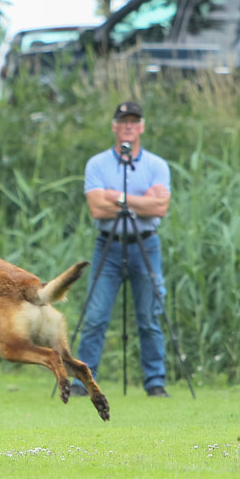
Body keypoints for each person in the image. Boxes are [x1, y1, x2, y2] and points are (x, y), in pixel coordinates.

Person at [73, 101, 172, 398]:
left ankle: (155, 382)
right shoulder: (97, 164)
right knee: (95, 317)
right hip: (109, 245)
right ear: (114, 127)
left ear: (141, 127)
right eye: (123, 121)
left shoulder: (157, 165)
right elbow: (96, 208)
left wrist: (116, 196)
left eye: (134, 121)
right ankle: (84, 381)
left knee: (150, 318)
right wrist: (142, 202)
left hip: (146, 245)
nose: (128, 126)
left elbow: (161, 208)